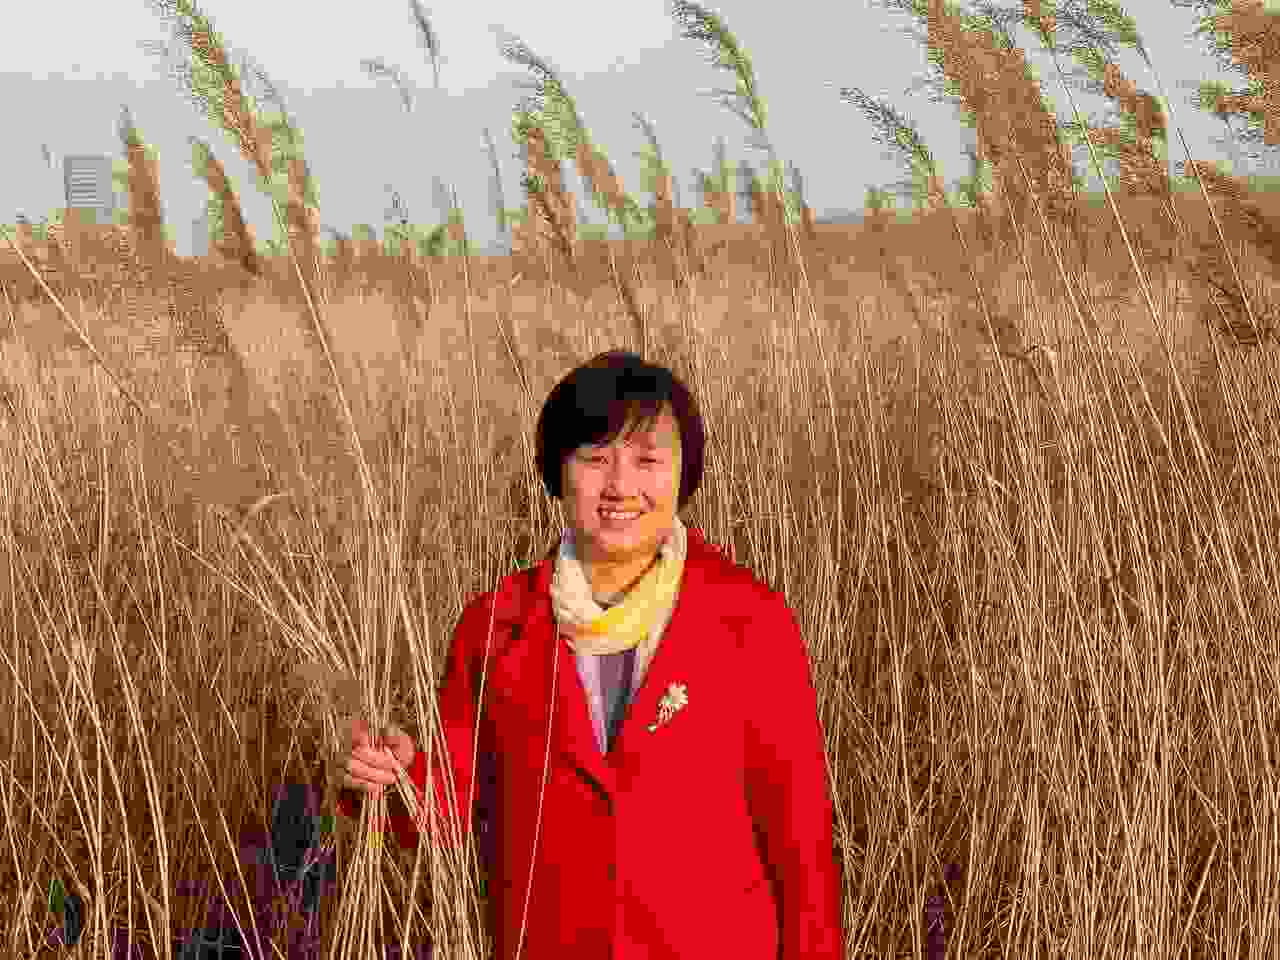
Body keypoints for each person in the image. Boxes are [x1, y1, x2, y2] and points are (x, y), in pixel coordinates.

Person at [334, 350, 844, 960]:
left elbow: (801, 848)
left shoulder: (750, 623)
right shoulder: (497, 627)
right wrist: (391, 777)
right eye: (596, 459)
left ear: (684, 472)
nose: (621, 486)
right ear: (557, 470)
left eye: (648, 460)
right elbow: (448, 804)